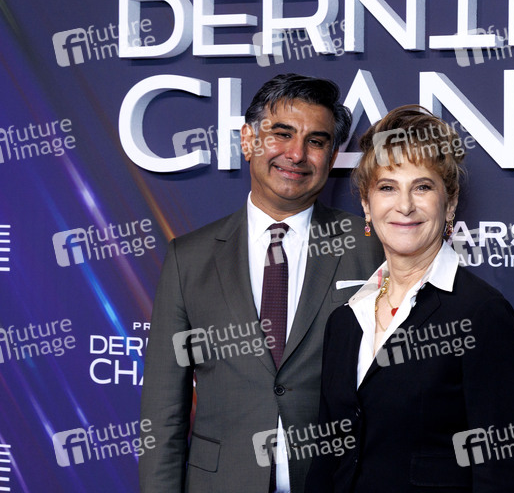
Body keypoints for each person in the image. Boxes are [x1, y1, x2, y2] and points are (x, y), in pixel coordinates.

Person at [139, 74, 383, 493]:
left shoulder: (372, 246)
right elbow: (163, 411)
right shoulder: (188, 258)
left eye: (316, 141)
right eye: (282, 134)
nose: (296, 154)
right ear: (248, 140)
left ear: (331, 157)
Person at [306, 106, 514, 492]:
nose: (405, 205)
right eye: (387, 187)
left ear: (450, 202)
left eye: (422, 187)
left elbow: (500, 473)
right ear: (366, 204)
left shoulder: (481, 314)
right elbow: (327, 461)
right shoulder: (345, 320)